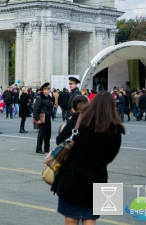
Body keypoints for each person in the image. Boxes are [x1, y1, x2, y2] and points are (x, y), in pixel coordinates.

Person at [51, 91, 125, 225]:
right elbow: (111, 156)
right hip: (98, 176)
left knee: (70, 217)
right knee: (90, 218)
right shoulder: (116, 128)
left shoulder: (79, 119)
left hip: (72, 175)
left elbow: (60, 140)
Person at [33, 83, 54, 154]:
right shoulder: (40, 97)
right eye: (47, 90)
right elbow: (36, 109)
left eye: (49, 90)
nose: (48, 91)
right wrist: (37, 119)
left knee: (48, 134)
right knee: (41, 134)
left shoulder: (49, 97)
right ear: (43, 90)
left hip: (48, 117)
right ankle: (38, 149)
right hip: (42, 117)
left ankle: (46, 148)